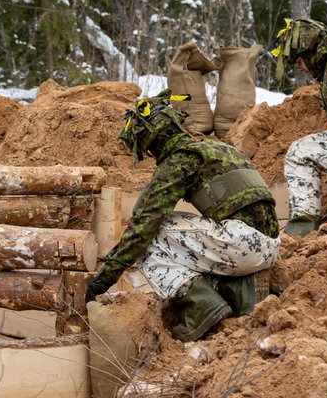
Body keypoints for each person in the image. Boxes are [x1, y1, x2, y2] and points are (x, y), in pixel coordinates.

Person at [85, 90, 280, 341]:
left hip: (241, 245)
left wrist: (101, 283)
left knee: (151, 234)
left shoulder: (181, 159)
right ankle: (238, 292)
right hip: (270, 248)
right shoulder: (219, 148)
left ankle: (202, 305)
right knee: (190, 237)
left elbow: (144, 224)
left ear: (153, 142)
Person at [272, 18, 327, 235]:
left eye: (298, 62)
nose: (300, 69)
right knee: (300, 152)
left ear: (308, 50)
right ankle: (303, 229)